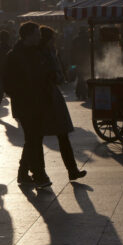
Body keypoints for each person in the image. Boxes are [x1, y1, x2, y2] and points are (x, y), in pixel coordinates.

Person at [3, 21, 53, 188]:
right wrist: (23, 90)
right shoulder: (14, 55)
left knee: (34, 138)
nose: (40, 37)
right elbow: (7, 83)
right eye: (37, 34)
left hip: (38, 101)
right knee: (34, 139)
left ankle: (23, 173)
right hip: (24, 103)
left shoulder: (38, 53)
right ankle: (39, 175)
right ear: (28, 36)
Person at [39, 26, 86, 180]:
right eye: (53, 38)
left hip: (53, 96)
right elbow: (51, 74)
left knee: (61, 135)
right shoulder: (42, 54)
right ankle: (26, 171)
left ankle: (72, 170)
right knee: (36, 139)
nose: (55, 41)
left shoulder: (51, 52)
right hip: (45, 97)